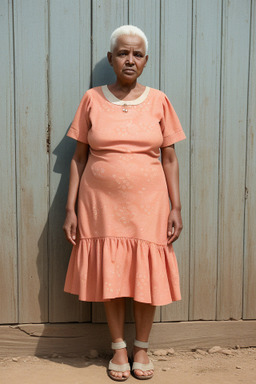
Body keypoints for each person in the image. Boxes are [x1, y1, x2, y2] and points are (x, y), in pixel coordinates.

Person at [63, 25, 186, 381]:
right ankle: (118, 346)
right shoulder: (91, 99)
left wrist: (176, 206)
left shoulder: (160, 100)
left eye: (136, 54)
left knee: (146, 273)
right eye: (122, 53)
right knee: (111, 273)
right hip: (99, 204)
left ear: (145, 62)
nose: (129, 59)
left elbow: (170, 159)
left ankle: (141, 346)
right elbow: (78, 158)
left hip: (150, 204)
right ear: (111, 59)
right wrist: (70, 209)